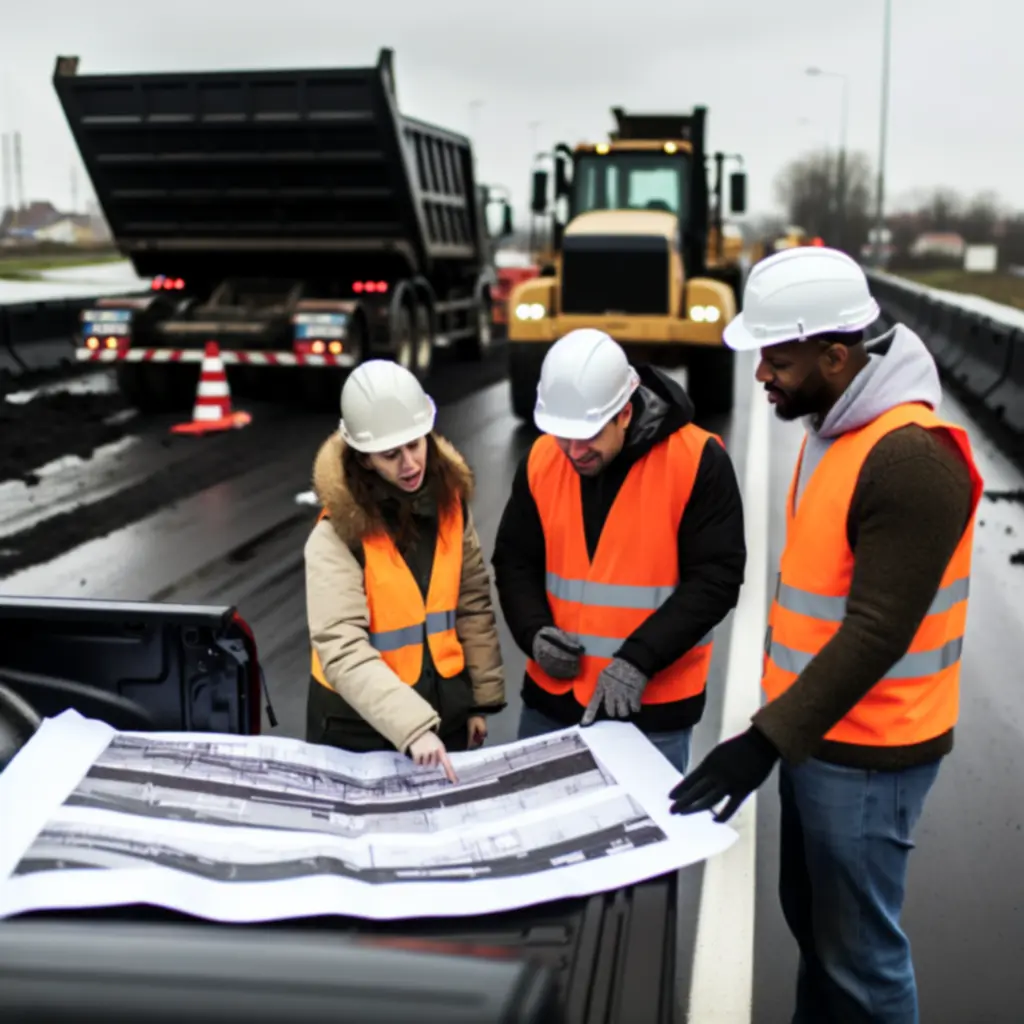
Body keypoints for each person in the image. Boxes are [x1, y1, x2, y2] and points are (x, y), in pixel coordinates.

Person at [670, 247, 983, 1024]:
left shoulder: (910, 458)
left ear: (837, 356)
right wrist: (781, 735)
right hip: (819, 738)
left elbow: (877, 630)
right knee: (818, 939)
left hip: (873, 754)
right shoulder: (836, 426)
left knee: (863, 968)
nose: (761, 377)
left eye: (777, 358)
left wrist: (763, 741)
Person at [491, 328, 746, 774]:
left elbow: (716, 579)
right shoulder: (541, 460)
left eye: (587, 435)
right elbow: (515, 561)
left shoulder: (696, 461)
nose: (573, 451)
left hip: (649, 713)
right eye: (561, 434)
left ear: (625, 413)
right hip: (551, 703)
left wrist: (639, 659)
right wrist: (532, 632)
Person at [304, 359, 506, 782]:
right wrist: (413, 727)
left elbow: (470, 604)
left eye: (416, 444)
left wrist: (478, 702)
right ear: (363, 459)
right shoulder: (335, 535)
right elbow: (341, 648)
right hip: (356, 734)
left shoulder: (451, 506)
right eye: (391, 454)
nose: (410, 463)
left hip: (441, 722)